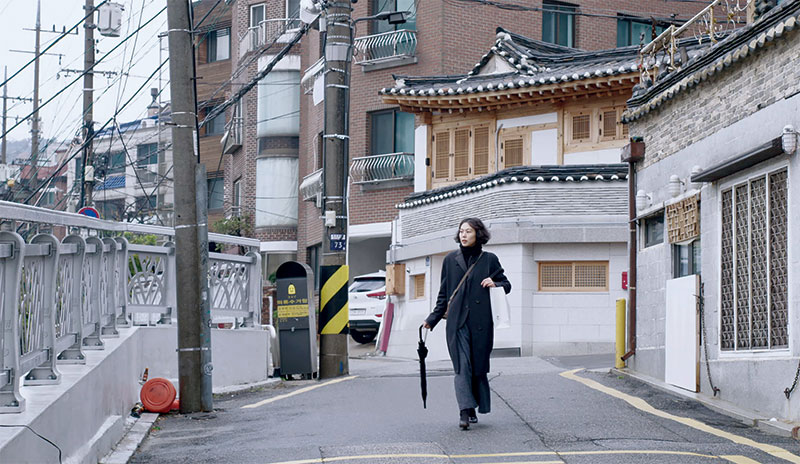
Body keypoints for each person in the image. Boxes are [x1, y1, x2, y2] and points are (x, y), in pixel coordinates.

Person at [423, 217, 511, 430]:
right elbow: (444, 294)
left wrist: (495, 283)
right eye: (461, 231)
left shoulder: (489, 260)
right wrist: (432, 319)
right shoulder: (450, 260)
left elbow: (506, 285)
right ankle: (464, 410)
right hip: (457, 324)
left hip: (481, 323)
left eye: (468, 231)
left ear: (478, 234)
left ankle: (472, 407)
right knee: (462, 367)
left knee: (477, 367)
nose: (463, 235)